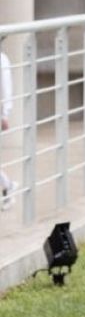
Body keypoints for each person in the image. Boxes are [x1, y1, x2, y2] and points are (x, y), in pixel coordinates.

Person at [0, 43, 13, 211]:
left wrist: (5, 115)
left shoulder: (2, 59)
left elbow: (6, 89)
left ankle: (8, 186)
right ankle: (8, 185)